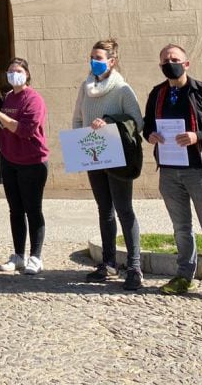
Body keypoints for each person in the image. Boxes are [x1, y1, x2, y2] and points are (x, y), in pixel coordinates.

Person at [143, 44, 202, 306]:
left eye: (174, 59)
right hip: (170, 172)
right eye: (164, 60)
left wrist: (199, 135)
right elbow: (147, 124)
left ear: (186, 64)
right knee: (181, 229)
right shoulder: (157, 94)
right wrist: (150, 134)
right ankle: (185, 275)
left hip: (199, 170)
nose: (169, 63)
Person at [72, 39, 145, 290]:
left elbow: (137, 122)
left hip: (118, 156)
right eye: (92, 57)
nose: (94, 61)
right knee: (105, 210)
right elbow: (78, 118)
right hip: (94, 154)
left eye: (99, 58)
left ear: (111, 61)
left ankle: (134, 266)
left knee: (124, 209)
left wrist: (110, 121)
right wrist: (79, 148)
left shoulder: (122, 89)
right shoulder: (85, 86)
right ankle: (109, 262)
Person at [0, 58, 49, 275]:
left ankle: (36, 257)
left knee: (33, 209)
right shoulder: (8, 97)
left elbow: (25, 130)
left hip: (32, 162)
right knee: (15, 210)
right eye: (10, 71)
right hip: (10, 161)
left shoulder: (34, 99)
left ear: (27, 74)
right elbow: (0, 127)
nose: (14, 74)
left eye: (18, 71)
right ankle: (19, 255)